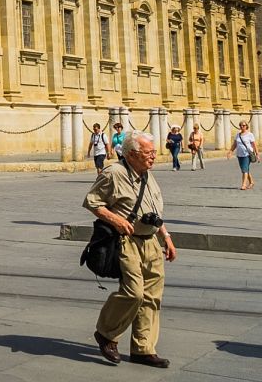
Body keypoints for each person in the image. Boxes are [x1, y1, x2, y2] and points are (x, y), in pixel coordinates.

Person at [86, 132, 176, 368]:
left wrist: (166, 237)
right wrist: (116, 220)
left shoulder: (148, 175)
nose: (154, 156)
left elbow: (154, 210)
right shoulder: (113, 173)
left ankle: (143, 348)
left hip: (151, 242)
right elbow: (92, 201)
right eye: (149, 153)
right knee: (134, 293)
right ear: (132, 154)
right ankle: (106, 333)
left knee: (152, 297)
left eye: (154, 152)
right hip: (127, 242)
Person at [227, 121, 258, 190]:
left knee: (244, 170)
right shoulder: (238, 135)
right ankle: (251, 182)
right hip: (239, 155)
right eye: (240, 125)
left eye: (243, 125)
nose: (242, 127)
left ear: (246, 126)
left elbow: (254, 145)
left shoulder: (250, 135)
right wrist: (230, 151)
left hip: (247, 154)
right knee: (245, 169)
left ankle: (244, 184)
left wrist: (257, 154)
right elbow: (235, 144)